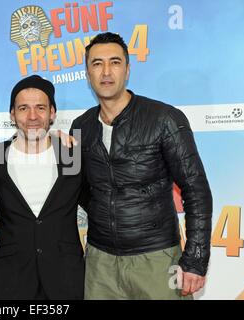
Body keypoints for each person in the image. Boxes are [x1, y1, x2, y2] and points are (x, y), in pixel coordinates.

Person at [70, 32, 213, 300]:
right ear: (87, 73)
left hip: (157, 258)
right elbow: (81, 189)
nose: (106, 71)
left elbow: (196, 189)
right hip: (100, 262)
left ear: (127, 69)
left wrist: (195, 260)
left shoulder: (164, 118)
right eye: (97, 63)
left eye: (115, 62)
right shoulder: (81, 126)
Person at [0, 75, 85, 299]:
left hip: (66, 277)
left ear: (52, 113)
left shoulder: (73, 155)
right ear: (12, 114)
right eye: (23, 108)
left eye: (40, 107)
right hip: (11, 278)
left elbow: (99, 200)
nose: (32, 116)